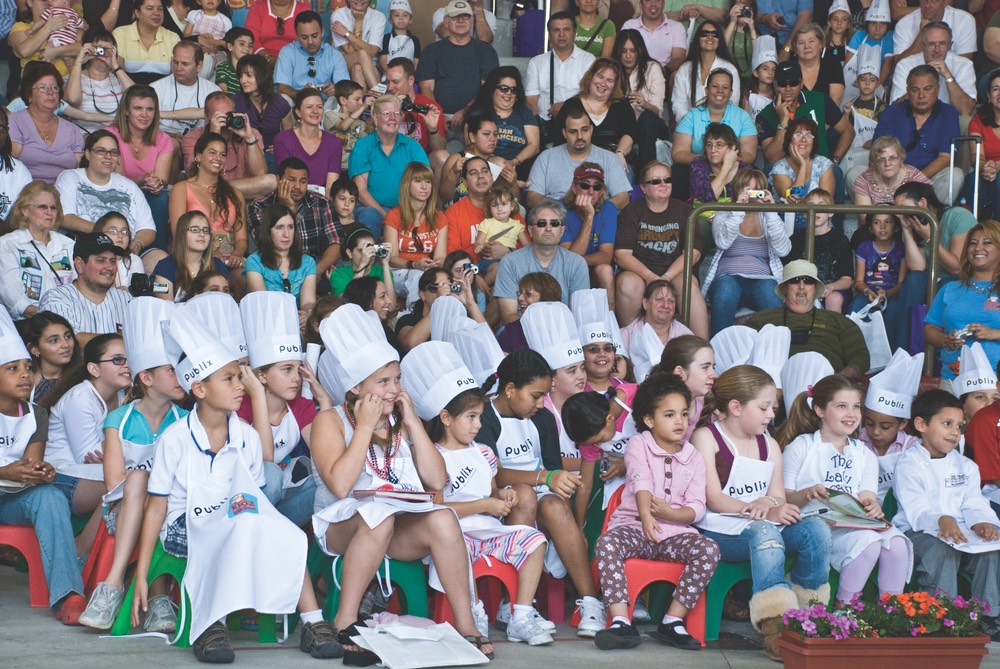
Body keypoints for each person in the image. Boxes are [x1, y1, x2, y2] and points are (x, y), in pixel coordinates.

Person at [135, 305, 340, 663]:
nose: (240, 386)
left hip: (233, 516)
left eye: (238, 377)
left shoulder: (244, 436)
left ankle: (312, 622)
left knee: (284, 532)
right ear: (198, 388)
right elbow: (156, 507)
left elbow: (255, 493)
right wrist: (141, 572)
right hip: (185, 525)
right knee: (230, 529)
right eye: (229, 379)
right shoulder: (175, 438)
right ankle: (209, 625)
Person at [310, 304, 493, 661]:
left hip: (394, 524)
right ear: (356, 387)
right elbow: (340, 487)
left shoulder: (400, 420)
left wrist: (412, 423)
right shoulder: (329, 421)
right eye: (383, 382)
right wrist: (364, 426)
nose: (394, 389)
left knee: (442, 517)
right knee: (378, 513)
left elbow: (438, 480)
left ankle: (467, 624)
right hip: (341, 526)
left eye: (397, 379)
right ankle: (345, 619)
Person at [691, 364, 832, 661]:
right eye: (764, 407)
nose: (771, 415)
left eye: (773, 408)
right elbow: (713, 498)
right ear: (735, 407)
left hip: (761, 523)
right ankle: (775, 626)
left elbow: (777, 495)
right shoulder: (706, 437)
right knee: (765, 531)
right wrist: (755, 510)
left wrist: (770, 505)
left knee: (815, 529)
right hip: (721, 529)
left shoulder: (769, 444)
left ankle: (807, 614)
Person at [419, 360, 554, 646]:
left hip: (488, 532)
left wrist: (500, 496)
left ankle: (521, 614)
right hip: (455, 537)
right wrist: (484, 505)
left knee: (535, 541)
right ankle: (473, 612)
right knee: (459, 553)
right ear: (445, 417)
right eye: (470, 417)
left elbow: (490, 491)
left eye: (480, 417)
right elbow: (437, 509)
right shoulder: (433, 457)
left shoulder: (483, 453)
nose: (478, 425)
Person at [476, 348, 607, 638]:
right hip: (494, 505)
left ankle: (589, 603)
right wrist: (544, 477)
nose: (540, 403)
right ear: (510, 389)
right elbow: (490, 473)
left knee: (555, 506)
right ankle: (513, 603)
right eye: (535, 395)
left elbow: (552, 471)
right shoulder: (483, 416)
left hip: (538, 502)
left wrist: (557, 483)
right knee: (523, 494)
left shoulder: (543, 419)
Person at [77, 297, 187, 631]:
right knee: (137, 480)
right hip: (120, 512)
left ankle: (123, 588)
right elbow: (114, 483)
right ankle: (128, 591)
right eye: (171, 369)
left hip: (169, 513)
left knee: (147, 484)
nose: (181, 374)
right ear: (148, 378)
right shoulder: (119, 420)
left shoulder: (185, 420)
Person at [591, 374, 720, 651]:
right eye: (670, 414)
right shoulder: (640, 444)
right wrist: (647, 517)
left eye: (684, 414)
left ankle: (673, 621)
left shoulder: (694, 456)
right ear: (649, 420)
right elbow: (640, 478)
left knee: (708, 549)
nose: (679, 421)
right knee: (607, 544)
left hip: (673, 534)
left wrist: (671, 516)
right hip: (635, 527)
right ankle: (619, 622)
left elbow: (697, 507)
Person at [780, 374, 912, 605]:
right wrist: (807, 493)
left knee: (897, 544)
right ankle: (845, 609)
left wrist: (872, 507)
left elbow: (867, 496)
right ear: (820, 410)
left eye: (856, 407)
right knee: (869, 544)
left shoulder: (863, 453)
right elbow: (783, 498)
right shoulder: (801, 447)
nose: (851, 414)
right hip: (814, 525)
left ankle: (892, 611)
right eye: (842, 406)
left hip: (851, 522)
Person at [0, 310, 87, 625]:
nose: (25, 374)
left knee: (49, 496)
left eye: (26, 367)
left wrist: (42, 472)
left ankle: (67, 594)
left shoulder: (36, 414)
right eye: (12, 369)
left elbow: (33, 462)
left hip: (11, 499)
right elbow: (11, 470)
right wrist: (6, 472)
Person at [893, 389, 1000, 641]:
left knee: (992, 548)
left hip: (962, 532)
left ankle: (989, 616)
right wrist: (941, 519)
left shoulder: (965, 466)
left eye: (959, 426)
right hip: (919, 533)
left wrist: (982, 522)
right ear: (921, 424)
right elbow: (916, 509)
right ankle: (941, 616)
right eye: (947, 424)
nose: (955, 432)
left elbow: (974, 501)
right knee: (943, 551)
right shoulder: (908, 464)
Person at [237, 292, 327, 529]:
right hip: (240, 501)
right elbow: (265, 459)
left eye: (298, 369)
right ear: (262, 376)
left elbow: (326, 451)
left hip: (277, 507)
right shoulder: (241, 406)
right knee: (272, 473)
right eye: (286, 369)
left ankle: (275, 538)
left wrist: (323, 398)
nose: (296, 378)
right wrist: (256, 395)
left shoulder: (301, 406)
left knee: (324, 481)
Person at [43, 333, 132, 564]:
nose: (127, 365)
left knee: (137, 481)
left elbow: (110, 455)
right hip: (61, 479)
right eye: (117, 360)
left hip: (91, 476)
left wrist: (113, 452)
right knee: (129, 484)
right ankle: (80, 549)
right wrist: (120, 452)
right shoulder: (80, 398)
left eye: (129, 358)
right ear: (94, 369)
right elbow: (88, 456)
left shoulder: (123, 398)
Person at [613, 161, 708, 337]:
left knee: (688, 283)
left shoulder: (685, 211)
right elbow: (621, 255)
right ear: (643, 187)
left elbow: (693, 253)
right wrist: (649, 276)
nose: (663, 184)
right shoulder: (631, 211)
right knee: (627, 283)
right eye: (656, 181)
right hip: (640, 274)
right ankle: (631, 345)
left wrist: (666, 278)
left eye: (667, 179)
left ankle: (701, 348)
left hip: (674, 272)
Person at [702, 169, 789, 337]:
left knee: (768, 290)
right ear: (738, 190)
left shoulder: (768, 216)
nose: (751, 195)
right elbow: (723, 242)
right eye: (747, 190)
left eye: (756, 190)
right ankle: (718, 352)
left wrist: (771, 211)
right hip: (727, 278)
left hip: (761, 279)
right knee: (727, 288)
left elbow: (783, 250)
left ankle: (776, 349)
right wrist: (738, 209)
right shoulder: (725, 212)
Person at [745, 260, 870, 377]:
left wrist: (839, 380)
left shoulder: (840, 322)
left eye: (808, 281)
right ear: (784, 288)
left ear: (815, 288)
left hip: (828, 387)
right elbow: (742, 352)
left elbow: (860, 357)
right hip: (775, 387)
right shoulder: (762, 319)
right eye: (795, 280)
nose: (802, 286)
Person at [924, 221, 1000, 394]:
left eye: (987, 242)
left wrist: (993, 333)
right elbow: (930, 329)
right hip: (952, 381)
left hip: (996, 384)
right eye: (973, 243)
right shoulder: (950, 289)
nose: (978, 248)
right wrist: (945, 340)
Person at [872, 65, 962, 207]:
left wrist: (913, 181)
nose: (921, 96)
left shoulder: (948, 113)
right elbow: (878, 152)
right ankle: (886, 213)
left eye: (927, 89)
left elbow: (946, 158)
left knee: (954, 176)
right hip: (892, 176)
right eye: (915, 90)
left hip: (930, 180)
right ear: (907, 91)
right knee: (854, 173)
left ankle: (933, 217)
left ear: (937, 90)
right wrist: (899, 179)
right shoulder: (892, 112)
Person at [54, 130, 155, 254]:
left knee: (159, 258)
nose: (108, 156)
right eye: (101, 151)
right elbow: (65, 218)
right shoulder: (70, 177)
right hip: (84, 249)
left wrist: (138, 244)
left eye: (113, 152)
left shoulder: (129, 186)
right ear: (87, 154)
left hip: (124, 251)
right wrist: (106, 233)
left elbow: (148, 229)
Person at [494, 199, 589, 324]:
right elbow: (508, 316)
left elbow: (578, 314)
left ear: (562, 230)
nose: (548, 228)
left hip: (562, 333)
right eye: (541, 223)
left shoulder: (577, 263)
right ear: (530, 230)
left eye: (554, 223)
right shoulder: (510, 262)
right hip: (520, 332)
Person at [167, 132, 247, 278]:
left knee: (243, 277)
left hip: (228, 259)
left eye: (222, 154)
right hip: (192, 256)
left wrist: (237, 254)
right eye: (212, 153)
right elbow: (178, 233)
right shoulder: (181, 189)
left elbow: (241, 239)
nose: (218, 158)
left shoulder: (235, 194)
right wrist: (211, 255)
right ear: (198, 156)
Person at [527, 102, 631, 210]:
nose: (580, 136)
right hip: (557, 219)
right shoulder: (546, 157)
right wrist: (563, 210)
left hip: (597, 216)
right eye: (573, 132)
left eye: (584, 130)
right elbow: (532, 198)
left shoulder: (609, 158)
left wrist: (595, 211)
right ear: (564, 133)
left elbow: (623, 198)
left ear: (591, 130)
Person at [672, 68, 757, 200]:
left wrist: (726, 161)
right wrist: (711, 160)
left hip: (734, 165)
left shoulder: (742, 116)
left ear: (731, 92)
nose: (720, 91)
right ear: (706, 90)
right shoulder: (692, 116)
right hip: (699, 167)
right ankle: (683, 215)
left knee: (752, 172)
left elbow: (749, 155)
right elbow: (678, 154)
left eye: (725, 87)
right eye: (715, 86)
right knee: (679, 172)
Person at [248, 158, 341, 279]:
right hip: (275, 267)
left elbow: (337, 243)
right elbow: (265, 243)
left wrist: (317, 271)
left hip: (316, 264)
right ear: (278, 180)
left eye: (303, 181)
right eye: (291, 180)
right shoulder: (259, 206)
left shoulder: (322, 203)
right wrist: (287, 208)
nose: (298, 186)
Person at [348, 95, 430, 232]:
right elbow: (361, 192)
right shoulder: (363, 146)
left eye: (396, 114)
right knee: (369, 215)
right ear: (375, 119)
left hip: (407, 208)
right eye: (386, 113)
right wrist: (388, 217)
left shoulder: (412, 146)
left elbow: (425, 182)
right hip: (373, 209)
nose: (392, 118)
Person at [108, 84, 173, 251]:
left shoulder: (163, 139)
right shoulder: (110, 135)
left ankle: (155, 252)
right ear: (126, 111)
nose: (144, 115)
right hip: (112, 193)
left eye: (149, 109)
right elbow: (117, 182)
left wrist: (156, 182)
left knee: (160, 198)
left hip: (146, 195)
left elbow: (162, 179)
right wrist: (143, 179)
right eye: (138, 108)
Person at [416, 0, 499, 130]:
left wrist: (465, 112)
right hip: (438, 116)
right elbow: (426, 88)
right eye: (455, 17)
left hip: (475, 117)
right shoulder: (431, 51)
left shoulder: (486, 51)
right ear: (446, 21)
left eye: (466, 16)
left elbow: (486, 89)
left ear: (472, 21)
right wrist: (437, 115)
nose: (461, 20)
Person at [0, 182, 75, 320]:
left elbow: (80, 287)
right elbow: (16, 302)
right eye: (42, 207)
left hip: (70, 320)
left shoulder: (69, 245)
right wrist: (51, 320)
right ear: (25, 210)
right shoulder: (7, 245)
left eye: (53, 207)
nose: (49, 212)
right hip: (29, 324)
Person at [39, 233, 131, 344]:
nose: (109, 267)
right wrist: (123, 338)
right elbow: (70, 341)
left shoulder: (126, 299)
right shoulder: (56, 298)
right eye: (101, 260)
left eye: (112, 261)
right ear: (80, 265)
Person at [756, 61, 854, 167]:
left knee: (836, 173)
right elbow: (773, 158)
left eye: (793, 83)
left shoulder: (820, 99)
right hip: (784, 172)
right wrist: (783, 121)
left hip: (820, 167)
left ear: (801, 83)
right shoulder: (764, 115)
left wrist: (835, 161)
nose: (788, 88)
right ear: (775, 85)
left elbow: (848, 130)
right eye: (782, 84)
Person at [180, 93, 275, 200]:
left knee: (271, 180)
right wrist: (213, 136)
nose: (224, 121)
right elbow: (197, 176)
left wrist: (250, 139)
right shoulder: (191, 138)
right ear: (206, 116)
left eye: (228, 115)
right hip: (206, 197)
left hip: (240, 195)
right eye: (219, 116)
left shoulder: (251, 133)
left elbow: (260, 174)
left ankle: (218, 190)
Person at [553, 58, 635, 174]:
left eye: (610, 80)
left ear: (614, 86)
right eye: (600, 77)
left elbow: (630, 134)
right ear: (590, 77)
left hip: (613, 161)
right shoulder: (571, 105)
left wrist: (619, 154)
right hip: (578, 163)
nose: (603, 83)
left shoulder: (622, 106)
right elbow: (559, 140)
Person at [525, 11, 597, 140]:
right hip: (546, 125)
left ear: (574, 34)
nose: (561, 34)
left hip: (579, 124)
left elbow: (591, 95)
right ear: (549, 35)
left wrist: (566, 106)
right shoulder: (537, 62)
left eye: (566, 30)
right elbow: (531, 100)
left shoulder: (588, 60)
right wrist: (537, 124)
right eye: (556, 30)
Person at [383, 162, 449, 301]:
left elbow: (441, 257)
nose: (424, 186)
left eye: (428, 181)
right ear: (407, 184)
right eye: (418, 181)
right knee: (418, 278)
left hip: (427, 271)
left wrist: (434, 264)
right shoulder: (394, 215)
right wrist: (413, 264)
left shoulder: (440, 218)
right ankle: (413, 318)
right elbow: (392, 258)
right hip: (398, 271)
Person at [10, 62, 84, 184]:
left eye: (55, 87)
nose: (50, 92)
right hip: (25, 192)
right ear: (29, 94)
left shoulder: (72, 129)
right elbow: (11, 167)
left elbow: (78, 171)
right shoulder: (15, 122)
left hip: (63, 192)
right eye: (43, 87)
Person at [786, 188, 853, 313]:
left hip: (831, 290)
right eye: (811, 206)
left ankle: (830, 332)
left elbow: (847, 280)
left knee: (834, 299)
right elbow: (788, 273)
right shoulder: (796, 239)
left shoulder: (840, 240)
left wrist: (830, 287)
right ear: (804, 213)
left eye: (821, 206)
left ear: (831, 212)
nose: (816, 211)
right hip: (801, 288)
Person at [467, 66, 540, 181]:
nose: (509, 93)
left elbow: (534, 145)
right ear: (492, 91)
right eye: (503, 88)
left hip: (518, 166)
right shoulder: (478, 113)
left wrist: (514, 161)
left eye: (513, 89)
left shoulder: (524, 113)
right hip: (485, 165)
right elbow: (469, 143)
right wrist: (492, 159)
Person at [890, 22, 975, 117]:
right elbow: (895, 108)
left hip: (949, 120)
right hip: (913, 118)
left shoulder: (964, 65)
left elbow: (965, 110)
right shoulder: (904, 65)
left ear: (950, 46)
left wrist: (948, 76)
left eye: (942, 44)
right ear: (922, 45)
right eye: (931, 44)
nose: (937, 49)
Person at [245, 202, 317, 313]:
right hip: (267, 322)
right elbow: (262, 303)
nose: (286, 234)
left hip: (297, 321)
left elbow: (308, 302)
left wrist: (307, 314)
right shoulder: (254, 261)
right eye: (279, 227)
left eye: (290, 227)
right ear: (268, 231)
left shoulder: (308, 262)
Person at [560, 163, 617, 301]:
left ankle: (609, 318)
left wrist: (589, 215)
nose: (591, 192)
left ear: (602, 191)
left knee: (605, 270)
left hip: (593, 270)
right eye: (585, 186)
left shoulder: (608, 209)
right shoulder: (560, 209)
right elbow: (570, 263)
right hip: (565, 273)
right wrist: (589, 217)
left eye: (596, 187)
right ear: (574, 187)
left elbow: (606, 256)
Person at [64, 28, 136, 134]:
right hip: (85, 137)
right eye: (99, 49)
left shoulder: (119, 78)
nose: (104, 53)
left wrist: (115, 66)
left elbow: (137, 97)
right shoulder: (73, 79)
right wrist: (78, 62)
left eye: (108, 49)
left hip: (117, 138)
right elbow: (73, 99)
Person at [613, 29, 667, 169]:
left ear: (640, 51)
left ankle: (646, 171)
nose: (628, 56)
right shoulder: (613, 70)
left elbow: (658, 112)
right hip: (625, 127)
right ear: (618, 52)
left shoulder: (652, 68)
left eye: (632, 50)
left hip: (652, 124)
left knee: (647, 118)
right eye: (624, 51)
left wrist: (645, 104)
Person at [850, 136, 930, 230]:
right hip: (874, 232)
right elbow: (865, 219)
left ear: (900, 159)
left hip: (908, 229)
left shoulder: (914, 176)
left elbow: (930, 207)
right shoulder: (863, 180)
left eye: (892, 158)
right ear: (875, 162)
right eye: (881, 159)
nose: (887, 164)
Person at [396, 268, 484, 353]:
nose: (445, 292)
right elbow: (410, 344)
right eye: (435, 288)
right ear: (422, 294)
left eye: (450, 287)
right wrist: (439, 304)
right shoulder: (407, 320)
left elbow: (487, 341)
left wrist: (470, 303)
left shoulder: (460, 320)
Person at [152, 211, 230, 302]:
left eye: (206, 230)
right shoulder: (163, 267)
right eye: (195, 229)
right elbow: (165, 308)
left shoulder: (218, 265)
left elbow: (225, 303)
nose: (202, 234)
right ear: (182, 234)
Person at [672, 20, 740, 123]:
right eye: (705, 34)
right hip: (690, 126)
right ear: (697, 39)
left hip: (721, 128)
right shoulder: (684, 69)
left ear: (719, 39)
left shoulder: (730, 69)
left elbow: (733, 104)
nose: (710, 37)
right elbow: (679, 105)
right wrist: (693, 124)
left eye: (715, 34)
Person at [150, 42, 221, 137]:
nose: (179, 68)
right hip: (165, 139)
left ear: (199, 66)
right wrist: (169, 135)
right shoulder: (156, 88)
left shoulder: (213, 91)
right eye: (175, 62)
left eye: (185, 64)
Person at [438, 114, 510, 207]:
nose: (492, 139)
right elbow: (444, 197)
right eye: (486, 134)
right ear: (472, 137)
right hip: (457, 214)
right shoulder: (457, 159)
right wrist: (453, 172)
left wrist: (513, 183)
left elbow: (505, 202)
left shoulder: (498, 164)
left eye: (495, 134)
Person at [851, 211, 908, 329]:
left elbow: (902, 284)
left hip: (893, 292)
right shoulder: (864, 248)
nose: (883, 227)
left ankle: (891, 347)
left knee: (894, 308)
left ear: (896, 226)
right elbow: (858, 282)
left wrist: (886, 294)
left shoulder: (902, 247)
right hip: (868, 291)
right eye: (877, 222)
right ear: (871, 228)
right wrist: (867, 292)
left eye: (888, 222)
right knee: (856, 306)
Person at [274, 11, 348, 100]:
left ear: (322, 32)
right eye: (304, 37)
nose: (310, 42)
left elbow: (345, 88)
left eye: (314, 36)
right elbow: (282, 88)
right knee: (283, 98)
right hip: (296, 104)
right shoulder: (287, 52)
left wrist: (335, 90)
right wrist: (302, 94)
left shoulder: (334, 55)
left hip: (326, 106)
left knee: (341, 100)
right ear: (297, 36)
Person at [769, 117, 836, 213]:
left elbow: (826, 204)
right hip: (786, 225)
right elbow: (793, 199)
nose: (803, 139)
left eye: (809, 135)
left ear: (814, 141)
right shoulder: (779, 168)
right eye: (798, 135)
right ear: (789, 140)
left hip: (818, 224)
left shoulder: (823, 164)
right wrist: (803, 166)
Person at [383, 57, 446, 156]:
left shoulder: (429, 107)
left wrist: (433, 130)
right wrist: (393, 110)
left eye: (395, 82)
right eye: (388, 82)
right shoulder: (382, 106)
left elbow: (439, 148)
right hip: (392, 157)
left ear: (411, 80)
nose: (390, 87)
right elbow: (379, 144)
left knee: (441, 155)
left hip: (421, 162)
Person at [111, 0, 180, 85]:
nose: (157, 13)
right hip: (127, 92)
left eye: (160, 9)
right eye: (150, 8)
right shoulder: (121, 33)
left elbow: (178, 74)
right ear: (137, 13)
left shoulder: (172, 37)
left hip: (163, 94)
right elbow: (117, 71)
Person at [8, 0, 80, 80]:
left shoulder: (69, 23)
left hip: (67, 83)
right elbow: (24, 51)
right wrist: (48, 27)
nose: (49, 1)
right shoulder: (22, 27)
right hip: (35, 84)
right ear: (30, 2)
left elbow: (87, 48)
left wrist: (55, 51)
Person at [619, 280, 693, 355]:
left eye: (671, 301)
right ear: (646, 303)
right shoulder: (625, 336)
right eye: (659, 299)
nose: (666, 305)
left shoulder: (685, 336)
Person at [474, 183, 529, 285]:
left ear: (512, 206)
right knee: (497, 269)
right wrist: (480, 247)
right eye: (495, 205)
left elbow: (528, 247)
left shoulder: (517, 225)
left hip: (510, 260)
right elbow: (478, 243)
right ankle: (483, 289)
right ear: (490, 208)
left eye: (504, 204)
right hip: (489, 260)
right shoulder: (487, 223)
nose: (499, 209)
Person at [689, 122, 752, 207]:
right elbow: (707, 198)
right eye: (709, 145)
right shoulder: (699, 165)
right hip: (702, 218)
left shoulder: (744, 169)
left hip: (736, 218)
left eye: (719, 145)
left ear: (732, 147)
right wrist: (727, 166)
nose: (713, 150)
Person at [964, 70, 1000, 220]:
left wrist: (997, 166)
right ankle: (977, 229)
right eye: (996, 89)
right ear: (988, 96)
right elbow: (975, 154)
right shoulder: (979, 119)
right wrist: (984, 166)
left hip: (997, 171)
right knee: (973, 180)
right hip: (987, 171)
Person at [23, 311, 79, 404]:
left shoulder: (81, 375)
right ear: (35, 349)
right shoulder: (27, 381)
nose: (65, 344)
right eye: (54, 341)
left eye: (68, 336)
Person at [892, 0, 976, 60]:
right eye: (924, 0)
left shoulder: (964, 20)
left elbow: (964, 63)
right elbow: (899, 63)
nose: (928, 5)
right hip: (917, 78)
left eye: (934, 1)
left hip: (950, 77)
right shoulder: (904, 23)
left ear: (945, 2)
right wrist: (922, 34)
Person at [329, 225, 395, 298]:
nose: (366, 255)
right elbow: (348, 303)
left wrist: (385, 263)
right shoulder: (338, 275)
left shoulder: (382, 272)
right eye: (361, 251)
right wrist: (362, 264)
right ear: (349, 253)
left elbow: (391, 306)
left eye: (370, 250)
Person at [329, 0, 384, 89]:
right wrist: (358, 23)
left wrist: (347, 33)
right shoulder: (338, 16)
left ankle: (363, 102)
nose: (359, 0)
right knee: (361, 54)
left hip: (372, 66)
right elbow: (349, 50)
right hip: (344, 63)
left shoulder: (378, 17)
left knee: (357, 68)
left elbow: (372, 52)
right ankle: (380, 95)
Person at [621, 0, 687, 72]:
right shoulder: (629, 25)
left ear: (663, 4)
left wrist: (660, 72)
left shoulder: (676, 27)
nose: (653, 4)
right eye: (648, 0)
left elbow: (678, 58)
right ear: (641, 5)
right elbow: (622, 55)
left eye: (658, 0)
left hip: (666, 73)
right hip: (635, 73)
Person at [788, 23, 844, 107]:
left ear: (820, 44)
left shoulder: (833, 66)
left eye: (811, 41)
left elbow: (835, 100)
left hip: (827, 118)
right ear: (795, 48)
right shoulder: (788, 69)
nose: (807, 46)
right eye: (801, 42)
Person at [94, 212, 143, 291]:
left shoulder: (134, 260)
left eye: (124, 232)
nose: (120, 236)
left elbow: (139, 293)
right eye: (113, 231)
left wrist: (127, 293)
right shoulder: (92, 260)